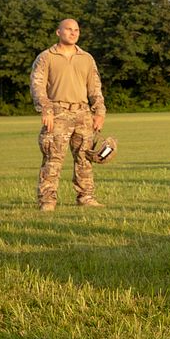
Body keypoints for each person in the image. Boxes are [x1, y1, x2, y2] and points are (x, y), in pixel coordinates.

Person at [30, 19, 106, 211]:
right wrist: (46, 110)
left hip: (83, 113)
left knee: (84, 158)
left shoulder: (86, 58)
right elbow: (37, 85)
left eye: (76, 30)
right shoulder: (46, 57)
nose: (73, 33)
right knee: (53, 158)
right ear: (58, 32)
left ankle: (86, 197)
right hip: (57, 113)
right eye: (69, 29)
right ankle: (47, 200)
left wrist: (99, 112)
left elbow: (95, 87)